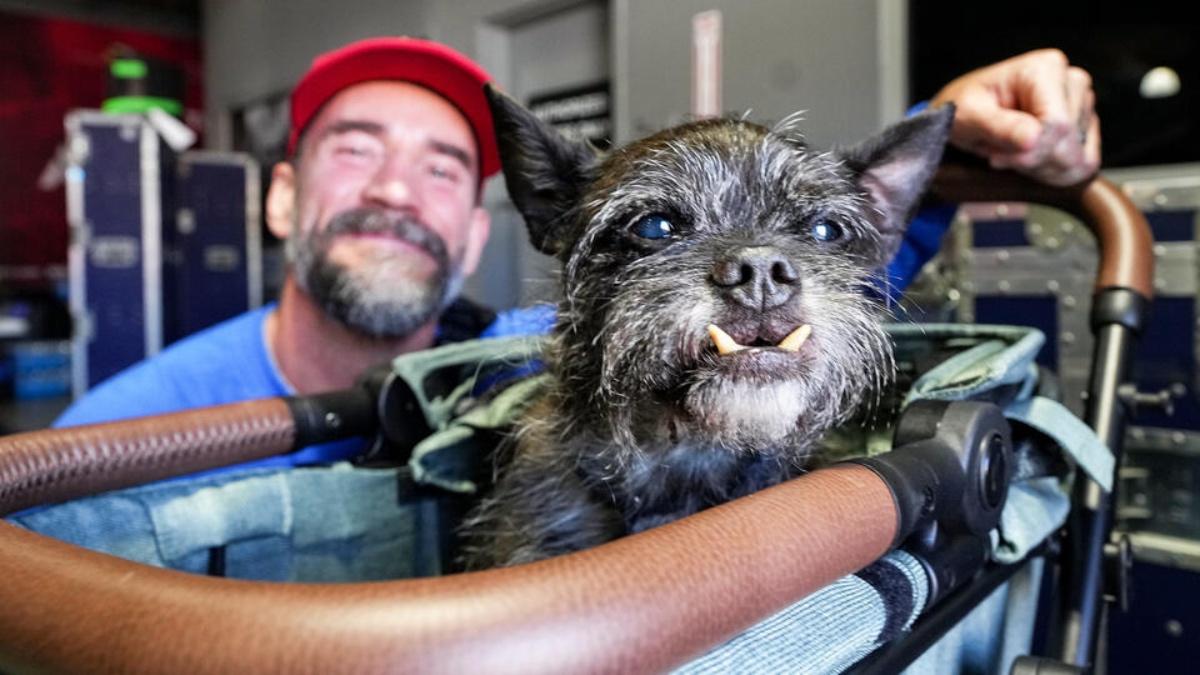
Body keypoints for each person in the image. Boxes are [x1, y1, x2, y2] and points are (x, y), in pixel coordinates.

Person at [53, 42, 1099, 473]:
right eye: (354, 149)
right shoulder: (121, 430)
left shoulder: (524, 353)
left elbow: (809, 298)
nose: (391, 188)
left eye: (441, 168)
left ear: (477, 226)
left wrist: (956, 128)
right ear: (282, 198)